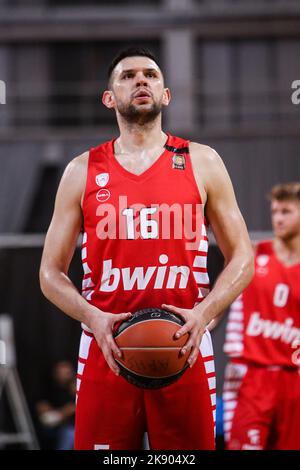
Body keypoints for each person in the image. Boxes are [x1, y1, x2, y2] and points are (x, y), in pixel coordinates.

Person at [39, 47, 253, 450]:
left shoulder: (203, 161)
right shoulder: (81, 170)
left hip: (184, 348)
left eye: (151, 75)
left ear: (166, 94)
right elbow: (50, 273)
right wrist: (92, 317)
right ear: (109, 97)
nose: (141, 81)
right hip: (106, 347)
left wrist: (204, 313)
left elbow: (243, 255)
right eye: (128, 76)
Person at [223, 182, 300, 450]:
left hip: (294, 379)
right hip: (252, 374)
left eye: (287, 211)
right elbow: (225, 305)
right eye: (275, 211)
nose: (278, 218)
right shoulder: (253, 255)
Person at [36, 360, 76, 450]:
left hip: (73, 425)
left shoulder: (74, 390)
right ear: (55, 373)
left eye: (67, 373)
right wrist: (64, 412)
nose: (64, 376)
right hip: (56, 428)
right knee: (69, 433)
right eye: (61, 373)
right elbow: (46, 417)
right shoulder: (48, 389)